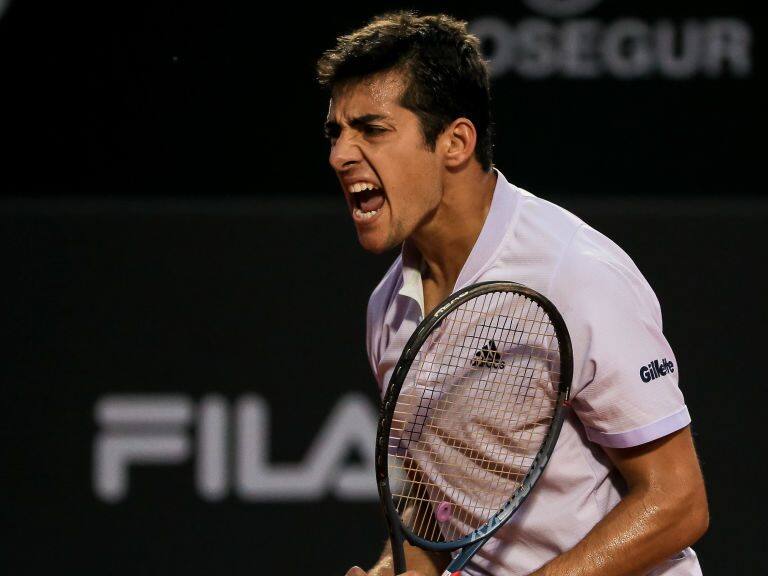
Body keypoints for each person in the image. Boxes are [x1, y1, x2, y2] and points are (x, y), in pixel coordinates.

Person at [317, 12, 708, 576]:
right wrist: (394, 571)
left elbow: (677, 503)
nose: (339, 156)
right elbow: (428, 506)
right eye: (336, 133)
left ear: (455, 142)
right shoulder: (388, 310)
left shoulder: (574, 273)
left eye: (372, 130)